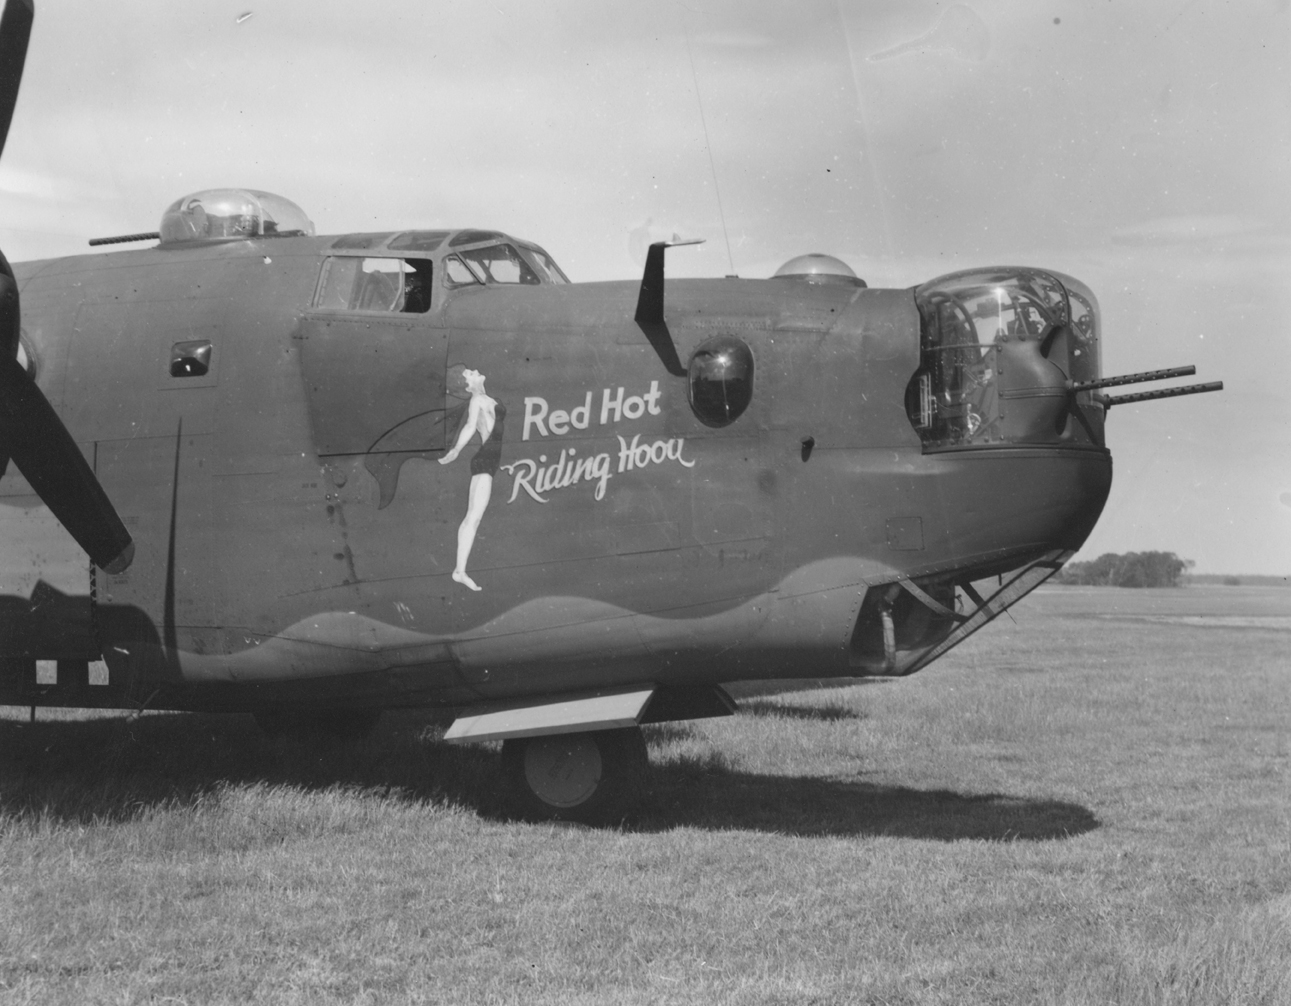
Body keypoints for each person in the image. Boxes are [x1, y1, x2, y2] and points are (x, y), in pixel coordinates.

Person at [438, 368, 504, 591]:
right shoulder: (476, 399)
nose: (473, 371)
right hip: (485, 460)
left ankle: (460, 570)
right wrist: (456, 450)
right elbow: (469, 425)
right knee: (473, 517)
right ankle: (460, 571)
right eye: (469, 374)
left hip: (489, 461)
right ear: (467, 386)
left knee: (475, 517)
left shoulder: (487, 398)